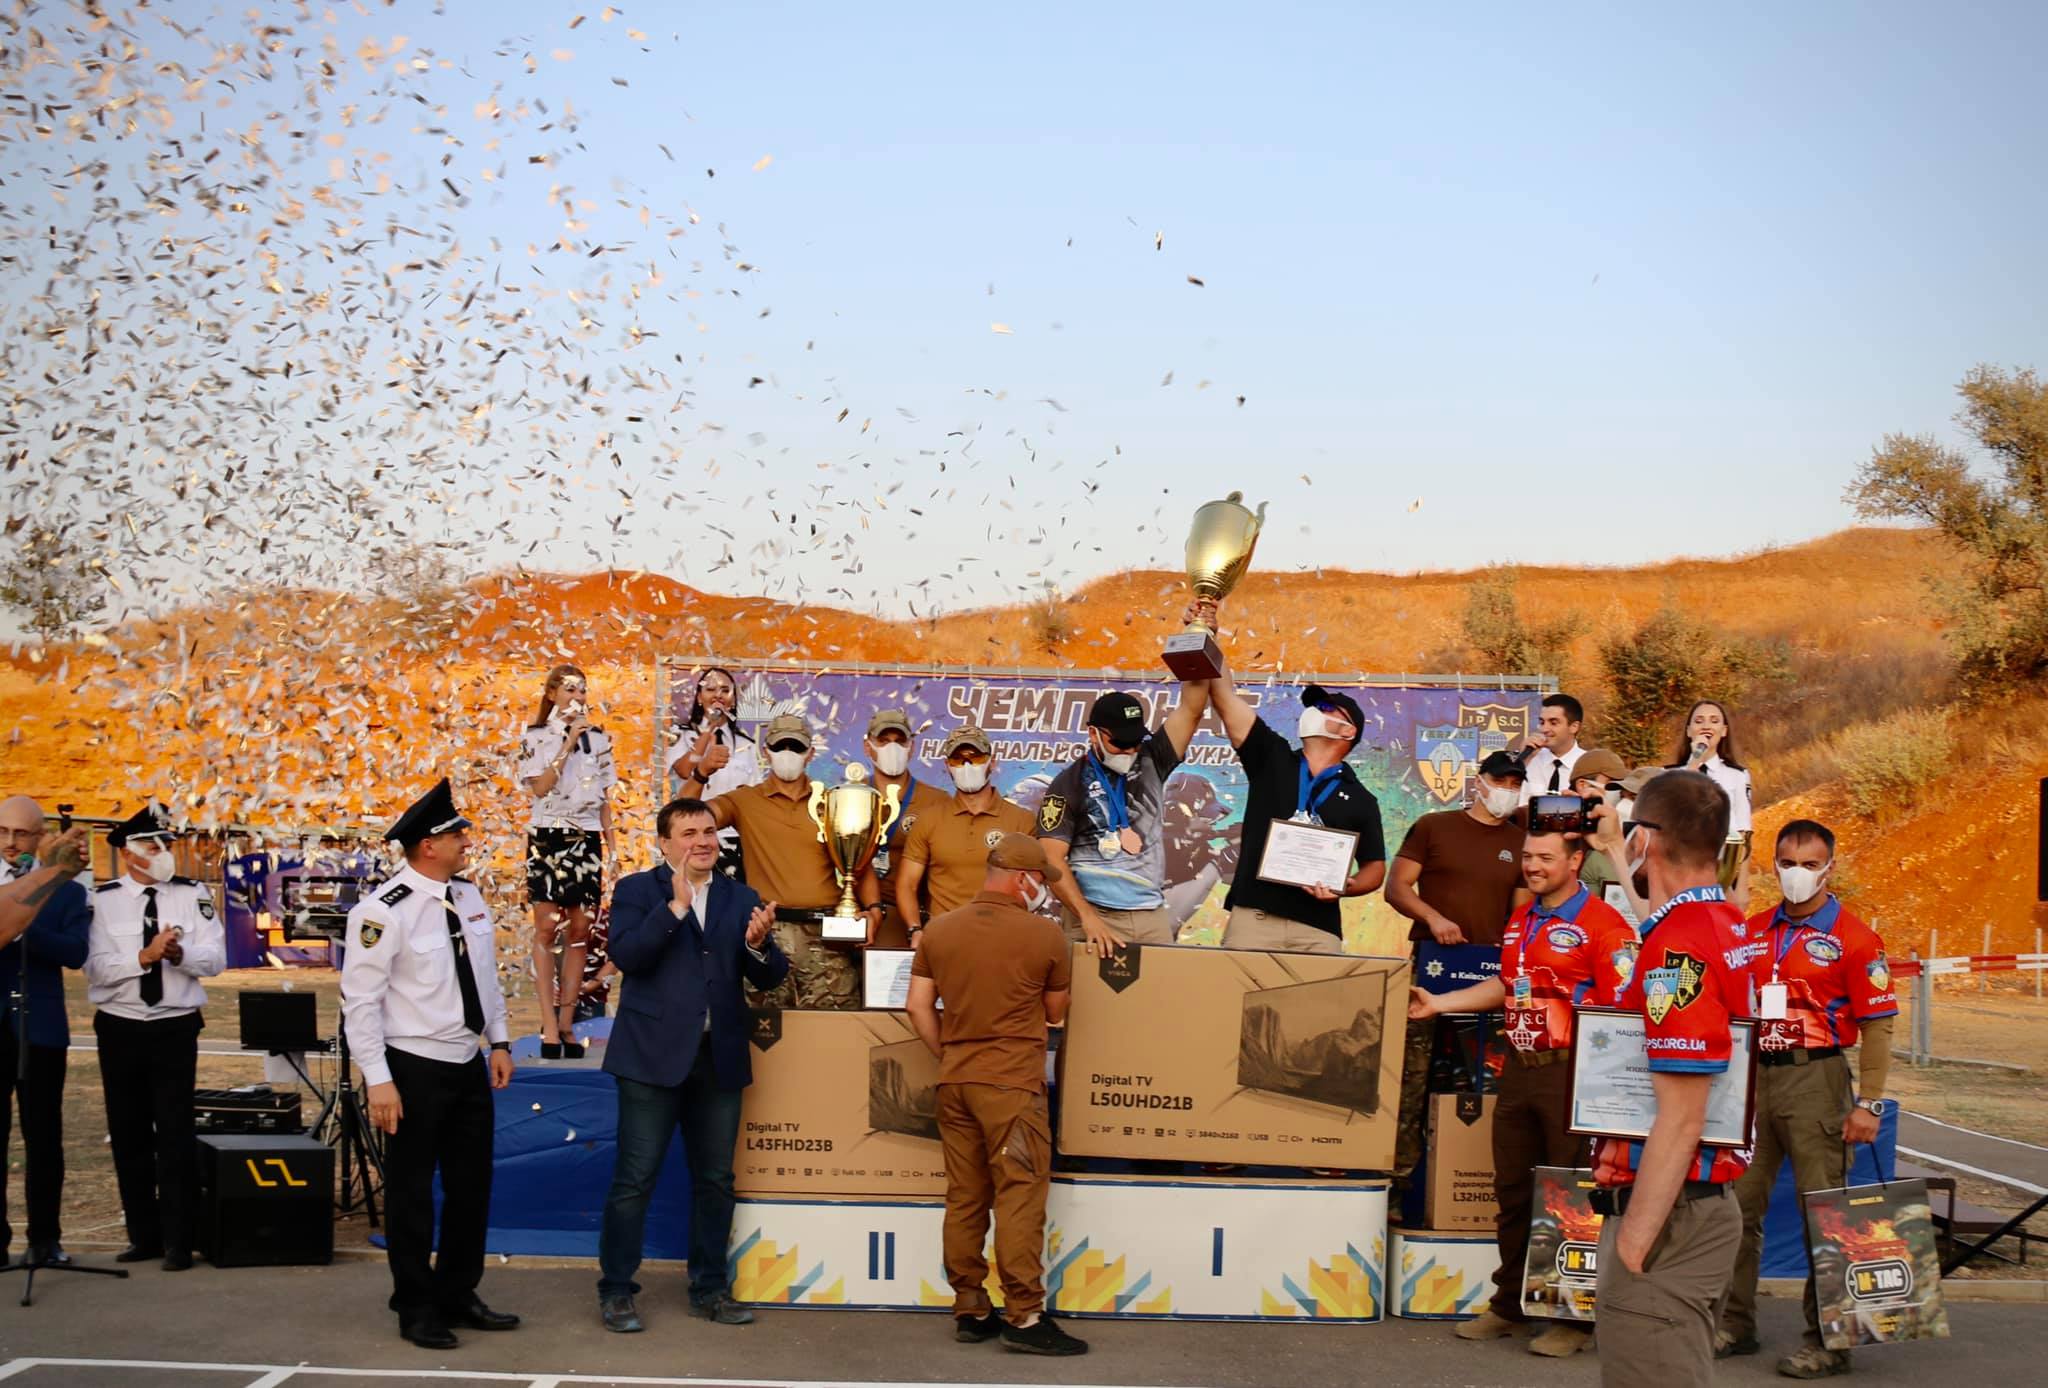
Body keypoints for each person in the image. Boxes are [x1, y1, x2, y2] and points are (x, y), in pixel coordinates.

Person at [1409, 829, 1637, 1358]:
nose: (1532, 867)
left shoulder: (1606, 925)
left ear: (1577, 861)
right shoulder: (1523, 919)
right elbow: (1509, 990)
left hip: (1574, 1074)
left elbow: (1626, 1011)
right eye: (1528, 857)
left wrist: (1605, 1085)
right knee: (1511, 1190)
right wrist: (1441, 1004)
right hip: (1518, 1066)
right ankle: (1510, 1304)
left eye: (1545, 858)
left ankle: (1573, 1319)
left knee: (1574, 1196)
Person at [1583, 771, 1755, 1388]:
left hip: (1670, 1212)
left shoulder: (1679, 947)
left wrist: (1633, 1245)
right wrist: (1610, 850)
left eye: (1632, 829)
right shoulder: (1723, 920)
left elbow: (1681, 1114)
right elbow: (1663, 921)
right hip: (1699, 1205)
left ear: (1649, 840)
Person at [596, 797, 787, 1334]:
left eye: (709, 831)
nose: (703, 841)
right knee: (634, 1181)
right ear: (664, 843)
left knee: (715, 1181)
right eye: (689, 833)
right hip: (650, 1060)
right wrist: (675, 909)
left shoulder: (740, 895)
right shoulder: (639, 891)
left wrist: (757, 946)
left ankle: (709, 1288)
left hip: (717, 1059)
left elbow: (770, 977)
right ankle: (615, 1290)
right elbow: (628, 957)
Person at [343, 778, 519, 1350]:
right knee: (413, 1194)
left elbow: (485, 979)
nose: (466, 839)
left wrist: (498, 1042)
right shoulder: (381, 911)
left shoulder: (468, 896)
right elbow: (361, 1002)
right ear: (427, 845)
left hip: (467, 1061)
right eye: (455, 833)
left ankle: (457, 1292)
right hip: (412, 1066)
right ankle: (415, 1305)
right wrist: (379, 1081)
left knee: (473, 1187)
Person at [1719, 819, 1897, 1379]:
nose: (1797, 874)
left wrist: (1869, 1103)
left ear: (1830, 867)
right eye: (1788, 862)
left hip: (1816, 1081)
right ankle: (1734, 1322)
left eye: (1809, 863)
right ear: (1773, 864)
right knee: (1738, 1209)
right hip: (1753, 1080)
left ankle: (1828, 1339)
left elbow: (1880, 1026)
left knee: (1825, 1213)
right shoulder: (1751, 930)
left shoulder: (1856, 937)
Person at [905, 834, 1082, 1357]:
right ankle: (1024, 1316)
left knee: (965, 1196)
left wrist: (952, 1055)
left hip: (955, 1082)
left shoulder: (939, 930)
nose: (1043, 892)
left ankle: (970, 1306)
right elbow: (1055, 1014)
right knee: (1019, 1197)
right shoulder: (1045, 936)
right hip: (1011, 1086)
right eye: (1040, 882)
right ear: (1023, 879)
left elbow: (918, 1008)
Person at [83, 804, 226, 1271]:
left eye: (165, 843)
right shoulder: (103, 900)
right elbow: (98, 971)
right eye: (151, 844)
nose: (163, 852)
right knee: (127, 1131)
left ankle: (179, 1241)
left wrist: (179, 953)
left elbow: (215, 958)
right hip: (121, 1025)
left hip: (174, 1025)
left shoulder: (192, 893)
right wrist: (143, 957)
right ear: (127, 853)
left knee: (175, 1131)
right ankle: (142, 1235)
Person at [1383, 749, 1533, 1181]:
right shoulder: (1435, 826)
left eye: (1514, 785)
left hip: (1484, 977)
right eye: (1499, 781)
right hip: (1429, 968)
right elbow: (1396, 887)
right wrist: (1433, 918)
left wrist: (1507, 947)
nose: (1505, 791)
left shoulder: (1519, 843)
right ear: (1479, 781)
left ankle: (1459, 1181)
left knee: (1477, 1080)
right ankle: (1397, 1182)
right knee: (1410, 1076)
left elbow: (1519, 914)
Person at [704, 711, 882, 1009]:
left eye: (796, 747)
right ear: (766, 752)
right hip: (767, 934)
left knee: (833, 1036)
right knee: (766, 1037)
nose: (788, 753)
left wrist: (875, 911)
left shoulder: (832, 800)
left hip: (826, 938)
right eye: (780, 746)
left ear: (810, 753)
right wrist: (700, 773)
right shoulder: (744, 800)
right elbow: (688, 818)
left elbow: (858, 864)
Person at [1205, 665, 1387, 953]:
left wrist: (1344, 886)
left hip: (1318, 928)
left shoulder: (1362, 798)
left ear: (1348, 731)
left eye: (1326, 707)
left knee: (1316, 1000)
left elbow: (1374, 868)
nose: (1315, 710)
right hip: (1255, 917)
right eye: (1315, 706)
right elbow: (1225, 696)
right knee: (1235, 997)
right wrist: (1209, 636)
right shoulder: (1271, 757)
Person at [1037, 683, 1210, 955]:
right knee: (1090, 997)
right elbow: (1051, 859)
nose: (1130, 751)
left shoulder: (1154, 758)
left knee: (1164, 994)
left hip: (1150, 914)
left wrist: (1199, 655)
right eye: (1120, 743)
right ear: (1093, 733)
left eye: (1135, 741)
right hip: (1094, 915)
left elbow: (1192, 709)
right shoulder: (1066, 785)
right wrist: (1087, 917)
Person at [0, 797, 89, 1269]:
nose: (12, 843)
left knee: (44, 1137)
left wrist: (22, 929)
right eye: (3, 832)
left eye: (22, 834)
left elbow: (76, 953)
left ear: (41, 837)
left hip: (41, 1025)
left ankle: (46, 1239)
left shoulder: (69, 889)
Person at [516, 664, 617, 1058]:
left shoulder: (600, 740)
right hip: (548, 835)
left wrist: (613, 851)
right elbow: (540, 787)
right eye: (570, 690)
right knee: (545, 928)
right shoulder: (535, 737)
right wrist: (566, 744)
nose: (577, 698)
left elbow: (605, 799)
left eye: (582, 691)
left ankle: (567, 1022)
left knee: (580, 930)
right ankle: (548, 1025)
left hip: (586, 837)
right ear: (552, 694)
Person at [896, 725, 1036, 936]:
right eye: (958, 759)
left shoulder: (1021, 821)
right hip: (943, 936)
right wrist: (915, 930)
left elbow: (1033, 887)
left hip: (1002, 937)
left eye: (976, 757)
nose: (967, 765)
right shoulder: (929, 820)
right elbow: (907, 884)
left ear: (992, 761)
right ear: (947, 765)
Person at [666, 666, 765, 879]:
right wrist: (708, 728)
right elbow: (683, 770)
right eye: (710, 689)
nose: (718, 695)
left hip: (732, 839)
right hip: (692, 837)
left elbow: (753, 793)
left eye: (724, 690)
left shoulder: (745, 744)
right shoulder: (680, 735)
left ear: (734, 700)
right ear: (699, 698)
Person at [863, 707, 942, 949]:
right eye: (883, 741)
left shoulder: (937, 801)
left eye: (899, 741)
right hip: (862, 913)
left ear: (912, 747)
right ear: (868, 747)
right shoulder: (849, 797)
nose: (892, 748)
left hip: (913, 917)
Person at [1667, 700, 1754, 909]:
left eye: (1714, 721)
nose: (1706, 726)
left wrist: (1741, 885)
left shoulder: (1737, 775)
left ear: (1723, 731)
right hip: (1680, 869)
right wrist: (1694, 762)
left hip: (1723, 871)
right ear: (1689, 731)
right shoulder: (1668, 775)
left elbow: (1744, 832)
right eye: (1699, 721)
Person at [1562, 749, 1629, 902]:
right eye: (1612, 786)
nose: (1620, 793)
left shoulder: (1614, 830)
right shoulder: (1556, 828)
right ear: (1583, 785)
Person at [1520, 693, 1588, 802]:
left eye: (1553, 723)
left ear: (1574, 727)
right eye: (1542, 722)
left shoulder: (1589, 765)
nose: (1544, 729)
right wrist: (1522, 761)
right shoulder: (1530, 759)